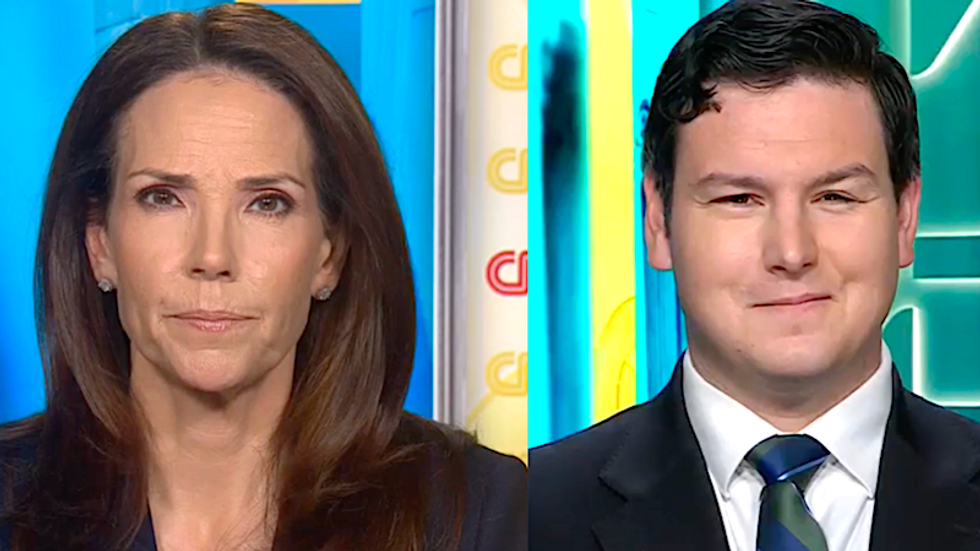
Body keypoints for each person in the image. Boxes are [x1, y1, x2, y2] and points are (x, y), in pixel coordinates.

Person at [0, 4, 526, 551]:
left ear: (329, 254)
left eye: (267, 203)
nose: (212, 256)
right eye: (163, 198)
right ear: (99, 242)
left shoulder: (473, 511)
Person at [530, 1, 980, 550]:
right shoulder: (527, 513)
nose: (791, 252)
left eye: (835, 197)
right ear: (658, 220)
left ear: (905, 216)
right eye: (739, 199)